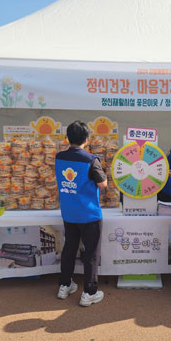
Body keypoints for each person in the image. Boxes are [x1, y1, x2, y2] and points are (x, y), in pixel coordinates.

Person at [55, 121, 107, 307]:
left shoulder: (59, 157)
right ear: (86, 139)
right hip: (89, 214)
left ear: (68, 138)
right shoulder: (91, 160)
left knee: (69, 248)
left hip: (69, 212)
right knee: (91, 253)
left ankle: (64, 285)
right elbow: (103, 184)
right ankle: (89, 292)